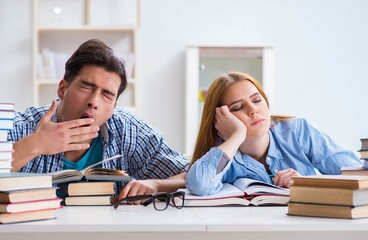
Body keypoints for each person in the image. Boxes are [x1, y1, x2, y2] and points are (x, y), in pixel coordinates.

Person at [9, 39, 188, 204]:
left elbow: (190, 176)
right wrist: (35, 145)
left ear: (114, 106)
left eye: (107, 95)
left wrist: (156, 185)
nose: (94, 102)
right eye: (86, 87)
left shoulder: (129, 132)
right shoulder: (23, 126)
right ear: (63, 89)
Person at [185, 72, 362, 196]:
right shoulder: (224, 154)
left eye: (257, 100)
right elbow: (199, 185)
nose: (253, 110)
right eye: (238, 107)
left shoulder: (297, 132)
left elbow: (357, 174)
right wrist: (237, 135)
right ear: (221, 118)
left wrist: (307, 183)